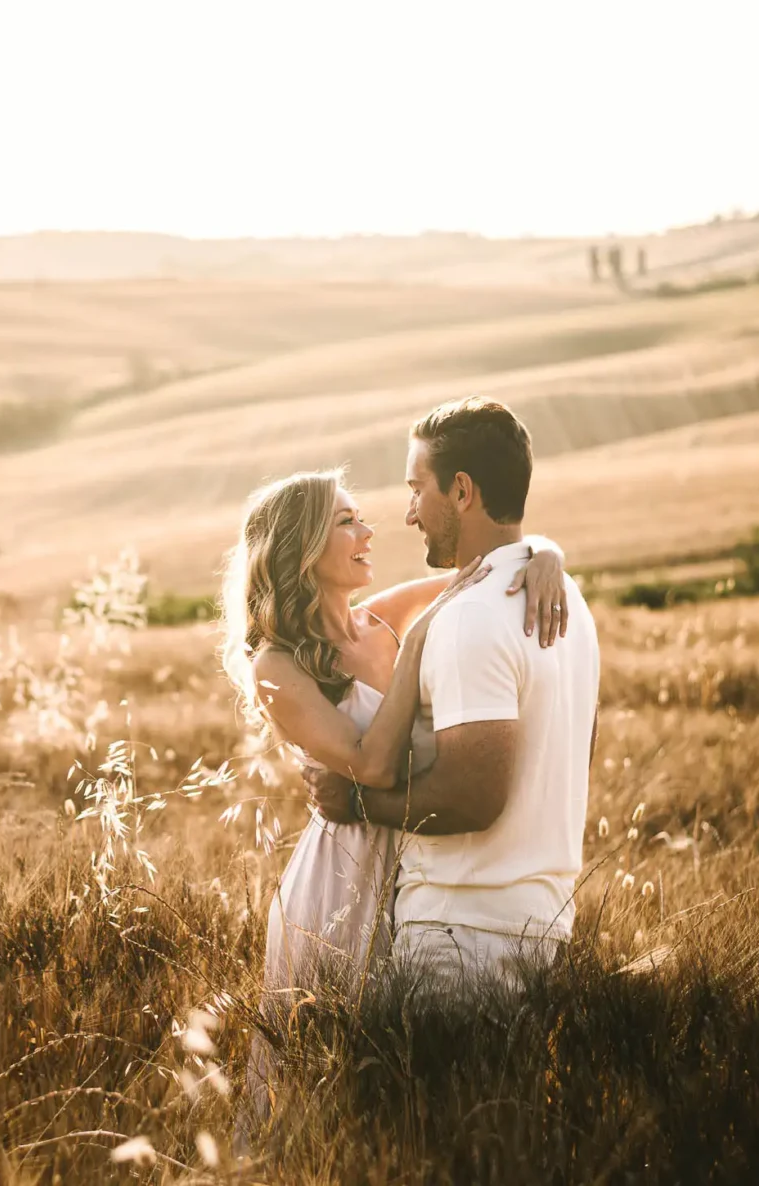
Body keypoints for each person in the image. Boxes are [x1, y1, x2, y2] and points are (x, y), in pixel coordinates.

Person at [219, 466, 569, 1128]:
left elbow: (488, 569)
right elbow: (371, 765)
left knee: (415, 1065)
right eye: (347, 521)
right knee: (328, 1071)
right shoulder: (278, 664)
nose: (368, 531)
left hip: (421, 852)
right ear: (301, 546)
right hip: (343, 880)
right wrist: (416, 651)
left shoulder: (384, 618)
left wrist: (545, 554)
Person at [309, 397, 601, 1004]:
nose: (410, 513)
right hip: (545, 928)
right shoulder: (565, 597)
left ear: (462, 491)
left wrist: (355, 800)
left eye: (418, 489)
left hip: (462, 938)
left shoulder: (470, 618)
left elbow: (473, 796)